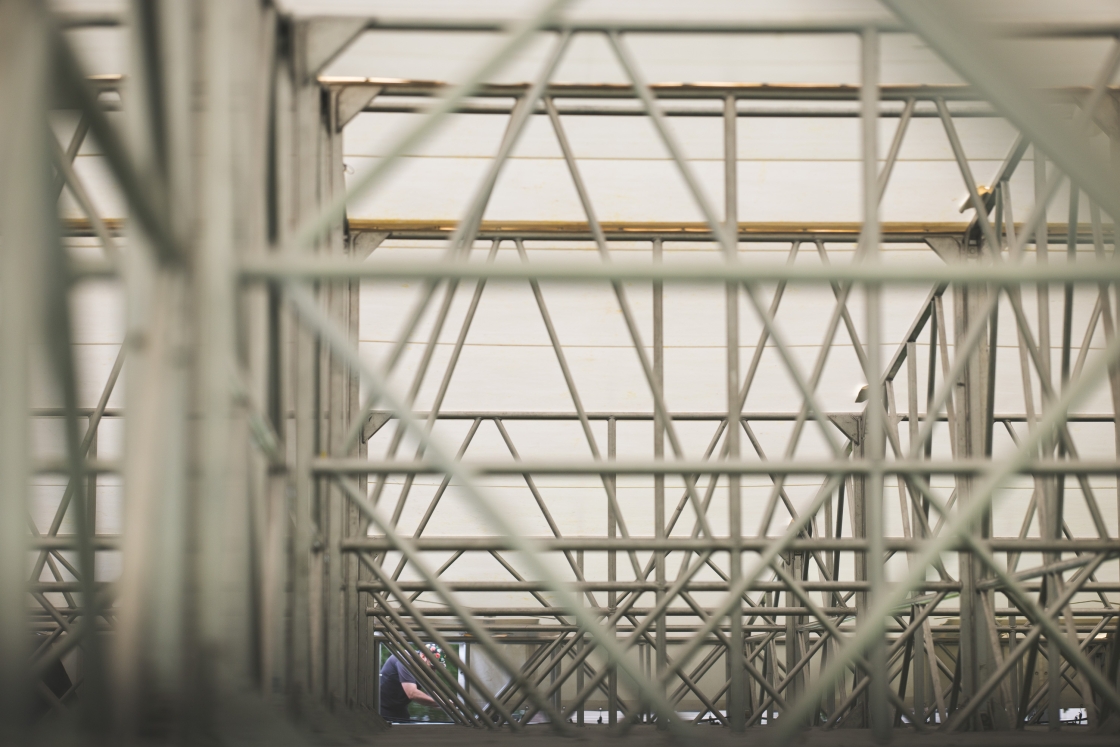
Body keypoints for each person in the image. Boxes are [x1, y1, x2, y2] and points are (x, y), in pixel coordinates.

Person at [379, 643, 445, 723]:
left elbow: (433, 696)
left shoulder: (427, 666)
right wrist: (442, 703)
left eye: (436, 668)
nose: (433, 670)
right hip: (381, 707)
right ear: (423, 656)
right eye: (432, 666)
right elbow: (412, 693)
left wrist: (448, 704)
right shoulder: (405, 658)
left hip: (400, 707)